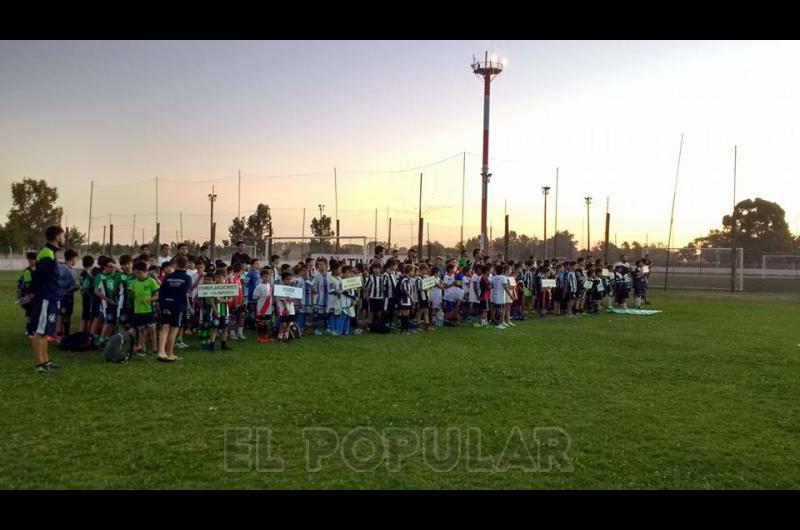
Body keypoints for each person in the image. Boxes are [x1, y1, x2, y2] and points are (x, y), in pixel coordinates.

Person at [27, 226, 66, 373]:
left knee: (45, 332)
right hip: (45, 297)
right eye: (62, 236)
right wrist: (31, 293)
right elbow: (39, 277)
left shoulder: (51, 253)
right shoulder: (47, 254)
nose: (64, 239)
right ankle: (39, 365)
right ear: (56, 236)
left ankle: (46, 361)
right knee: (39, 331)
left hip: (51, 297)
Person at [157, 255, 192, 362]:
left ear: (175, 264)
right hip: (178, 306)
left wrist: (162, 304)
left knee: (165, 328)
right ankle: (169, 353)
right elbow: (184, 293)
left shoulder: (168, 277)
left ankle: (161, 352)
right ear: (187, 265)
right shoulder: (187, 278)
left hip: (165, 304)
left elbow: (162, 291)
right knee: (174, 329)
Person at [129, 260, 160, 356]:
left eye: (140, 273)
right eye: (136, 273)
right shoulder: (134, 282)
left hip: (149, 309)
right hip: (138, 310)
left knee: (152, 328)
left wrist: (149, 299)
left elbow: (157, 296)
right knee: (141, 329)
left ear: (145, 271)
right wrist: (132, 294)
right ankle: (142, 348)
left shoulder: (151, 281)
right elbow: (130, 293)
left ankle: (155, 348)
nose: (138, 275)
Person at [56, 248, 79, 341]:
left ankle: (66, 334)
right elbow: (59, 282)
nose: (77, 260)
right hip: (63, 296)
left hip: (69, 296)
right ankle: (59, 336)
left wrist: (75, 286)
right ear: (72, 258)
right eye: (76, 258)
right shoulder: (63, 268)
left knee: (68, 315)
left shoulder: (72, 269)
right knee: (61, 315)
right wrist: (68, 287)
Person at [225, 262, 247, 340]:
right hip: (233, 303)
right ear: (240, 269)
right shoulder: (231, 278)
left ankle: (240, 333)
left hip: (240, 302)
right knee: (232, 318)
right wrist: (235, 303)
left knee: (242, 316)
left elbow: (240, 290)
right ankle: (232, 333)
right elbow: (230, 291)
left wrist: (242, 300)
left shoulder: (238, 278)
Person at [253, 269, 273, 343]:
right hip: (261, 307)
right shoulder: (259, 286)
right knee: (261, 322)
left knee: (266, 322)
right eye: (265, 277)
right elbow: (254, 296)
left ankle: (265, 335)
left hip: (268, 307)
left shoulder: (269, 285)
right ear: (261, 277)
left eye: (268, 277)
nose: (267, 278)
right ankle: (260, 336)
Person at [79, 255, 95, 333]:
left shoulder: (82, 273)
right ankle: (87, 334)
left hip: (84, 296)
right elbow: (86, 287)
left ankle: (81, 333)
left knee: (84, 316)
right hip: (88, 296)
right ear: (92, 264)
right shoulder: (88, 275)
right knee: (88, 317)